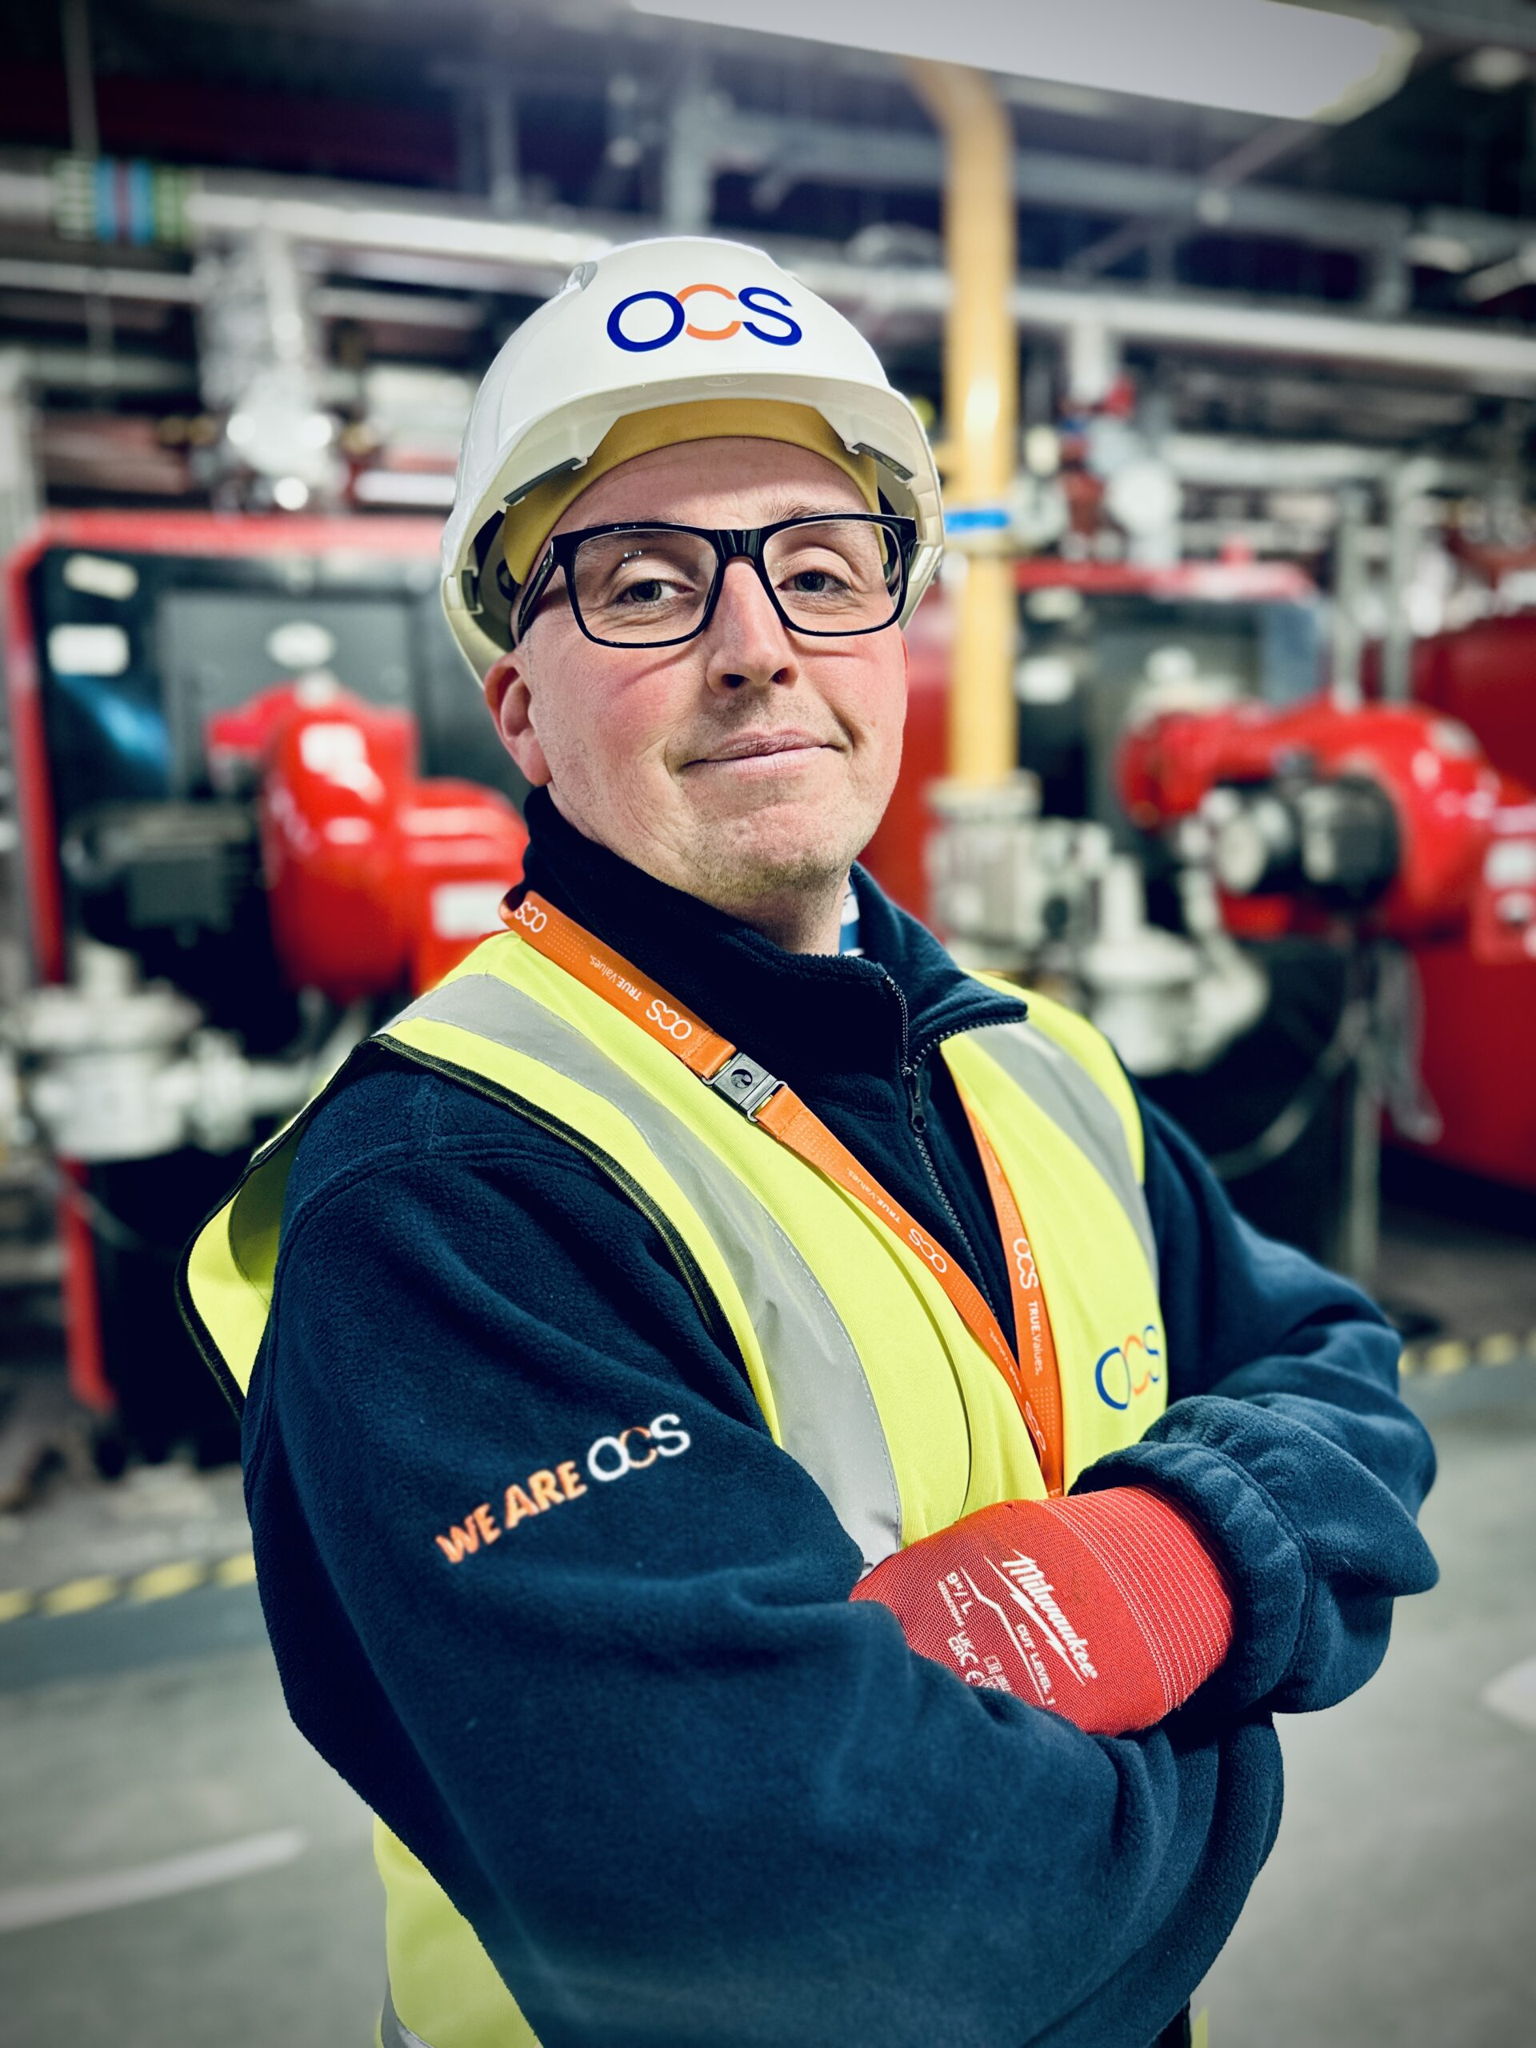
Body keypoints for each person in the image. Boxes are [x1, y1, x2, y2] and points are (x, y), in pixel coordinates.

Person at [183, 236, 1438, 2048]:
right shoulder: (445, 1198)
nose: (759, 645)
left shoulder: (1040, 1068)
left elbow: (1347, 1377)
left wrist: (1149, 1580)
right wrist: (1228, 1735)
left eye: (823, 572)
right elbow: (840, 1938)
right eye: (644, 585)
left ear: (894, 648)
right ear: (516, 703)